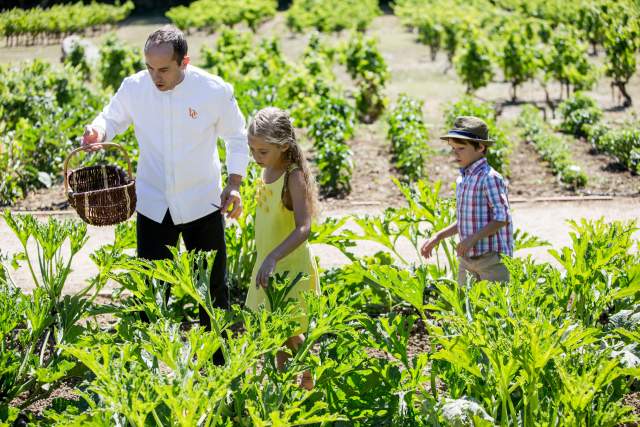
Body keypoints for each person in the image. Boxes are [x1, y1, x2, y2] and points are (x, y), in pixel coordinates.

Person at [81, 26, 249, 349]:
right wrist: (97, 131)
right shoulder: (135, 88)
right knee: (151, 293)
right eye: (149, 68)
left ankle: (218, 368)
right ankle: (150, 372)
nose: (155, 77)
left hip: (202, 203)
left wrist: (235, 182)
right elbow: (111, 118)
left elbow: (236, 136)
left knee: (212, 293)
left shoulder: (213, 91)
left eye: (164, 69)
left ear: (184, 61)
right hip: (154, 204)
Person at [244, 107, 321, 390]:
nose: (256, 157)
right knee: (278, 333)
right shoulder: (267, 170)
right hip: (268, 264)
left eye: (262, 151)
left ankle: (307, 382)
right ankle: (288, 387)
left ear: (284, 147)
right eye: (252, 149)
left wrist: (274, 256)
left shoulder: (293, 177)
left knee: (287, 332)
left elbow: (304, 227)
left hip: (288, 266)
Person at [421, 116, 513, 285]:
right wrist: (438, 236)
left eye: (461, 148)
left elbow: (502, 218)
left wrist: (472, 239)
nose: (455, 153)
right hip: (466, 259)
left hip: (491, 260)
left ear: (480, 147)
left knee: (494, 308)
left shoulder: (489, 178)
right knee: (465, 306)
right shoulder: (462, 180)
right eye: (453, 148)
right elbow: (464, 221)